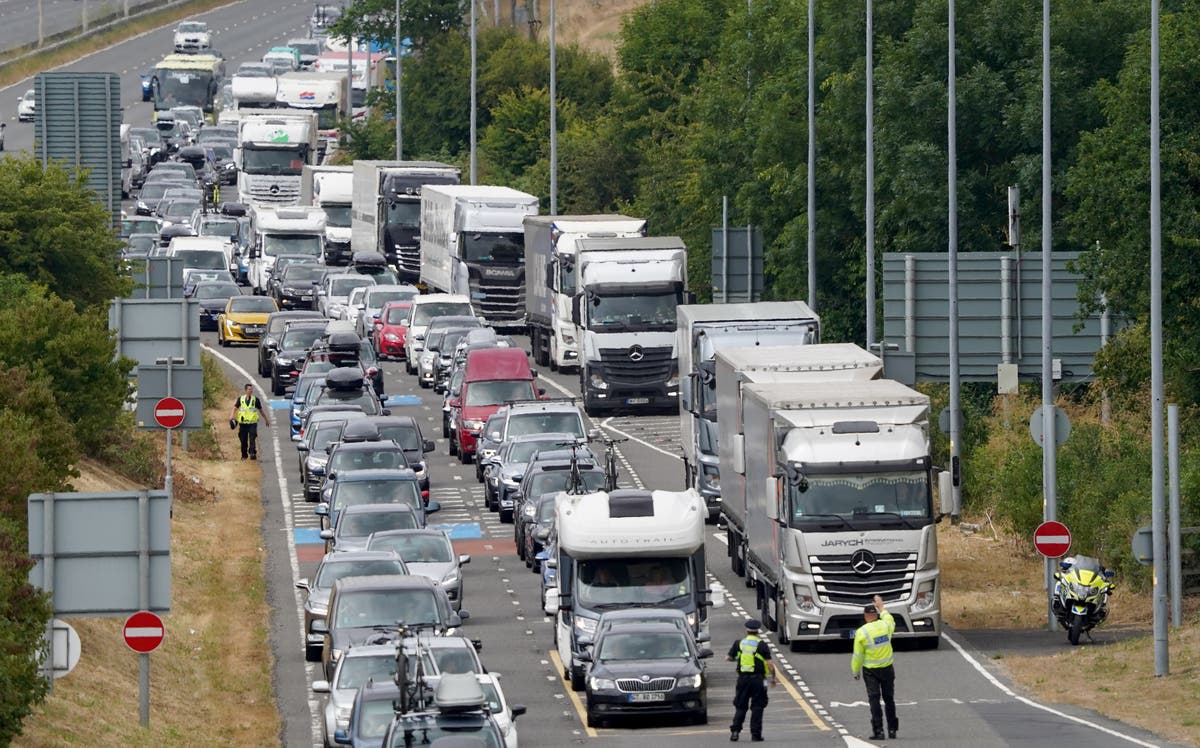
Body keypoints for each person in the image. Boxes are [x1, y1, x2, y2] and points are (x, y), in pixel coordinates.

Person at [851, 594, 898, 741]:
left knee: (874, 699)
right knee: (889, 699)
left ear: (865, 616)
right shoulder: (885, 625)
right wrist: (881, 606)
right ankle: (892, 729)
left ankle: (878, 731)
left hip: (870, 671)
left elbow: (857, 656)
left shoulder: (862, 632)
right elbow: (889, 618)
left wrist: (855, 671)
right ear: (876, 615)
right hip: (887, 668)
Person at [727, 618, 776, 742]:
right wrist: (773, 678)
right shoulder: (762, 644)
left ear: (746, 630)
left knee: (740, 706)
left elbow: (728, 658)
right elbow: (770, 665)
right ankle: (756, 735)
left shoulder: (739, 643)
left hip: (743, 679)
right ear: (758, 631)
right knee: (758, 706)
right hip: (758, 680)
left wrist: (738, 658)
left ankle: (735, 732)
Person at [230, 383, 269, 460]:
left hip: (252, 423)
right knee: (243, 440)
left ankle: (252, 452)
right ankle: (244, 455)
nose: (250, 391)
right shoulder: (240, 399)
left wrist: (266, 419)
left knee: (252, 438)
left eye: (251, 389)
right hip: (243, 424)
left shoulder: (255, 400)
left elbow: (261, 410)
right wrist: (231, 416)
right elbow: (235, 408)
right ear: (245, 390)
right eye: (249, 389)